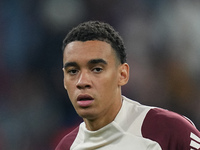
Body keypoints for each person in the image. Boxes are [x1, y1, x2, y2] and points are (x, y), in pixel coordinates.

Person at [56, 21, 200, 150]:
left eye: (97, 69)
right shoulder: (66, 146)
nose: (82, 82)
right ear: (64, 79)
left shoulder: (169, 131)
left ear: (122, 75)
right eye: (73, 71)